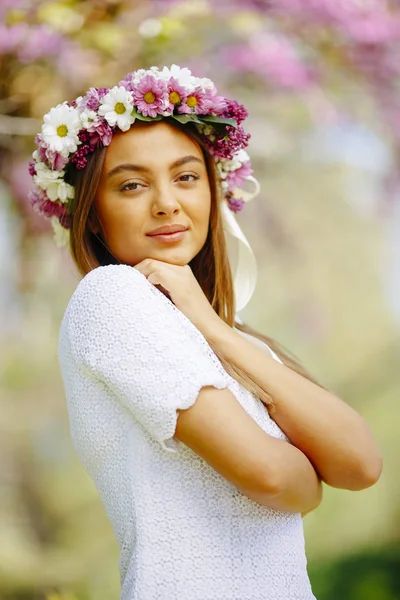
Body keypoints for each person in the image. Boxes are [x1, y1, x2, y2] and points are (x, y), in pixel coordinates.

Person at [28, 65, 382, 600]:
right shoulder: (113, 298)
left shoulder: (233, 337)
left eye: (186, 177)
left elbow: (360, 465)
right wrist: (309, 480)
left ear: (213, 194)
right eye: (131, 185)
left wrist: (216, 329)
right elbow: (272, 479)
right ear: (93, 215)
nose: (167, 202)